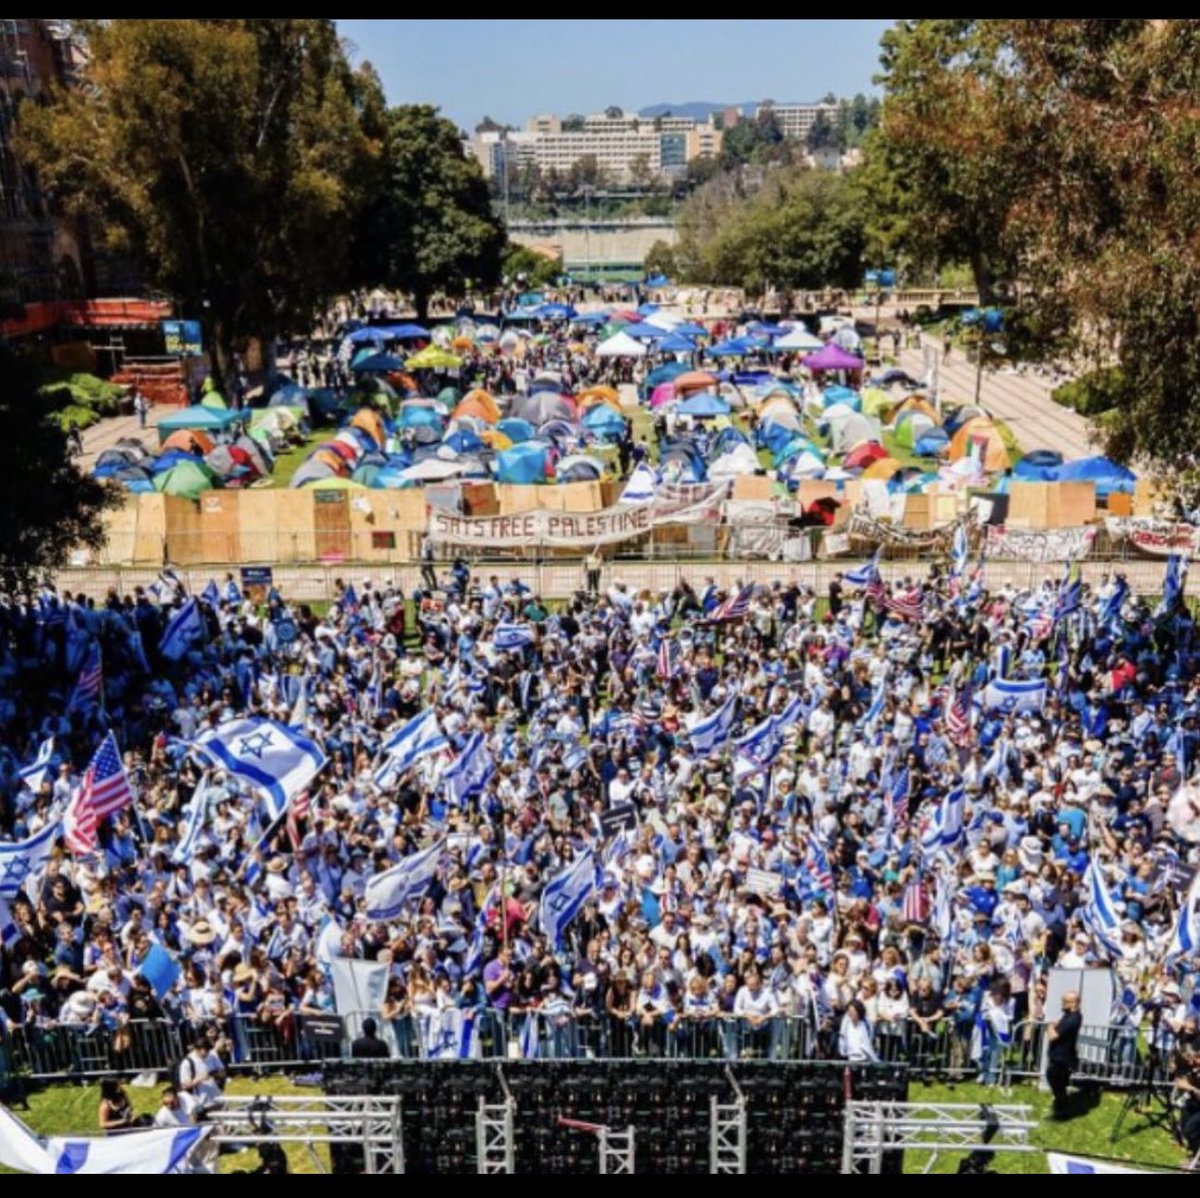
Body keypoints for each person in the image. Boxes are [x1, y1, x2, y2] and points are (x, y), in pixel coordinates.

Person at [1045, 990, 1082, 1119]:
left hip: (1062, 1057)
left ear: (1073, 1003)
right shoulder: (1069, 1015)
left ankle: (1062, 1112)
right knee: (1057, 1083)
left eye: (1065, 1002)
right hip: (1061, 1055)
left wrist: (1050, 1026)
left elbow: (1052, 1036)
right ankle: (1061, 1106)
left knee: (1057, 1083)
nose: (1062, 1004)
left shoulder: (1072, 1019)